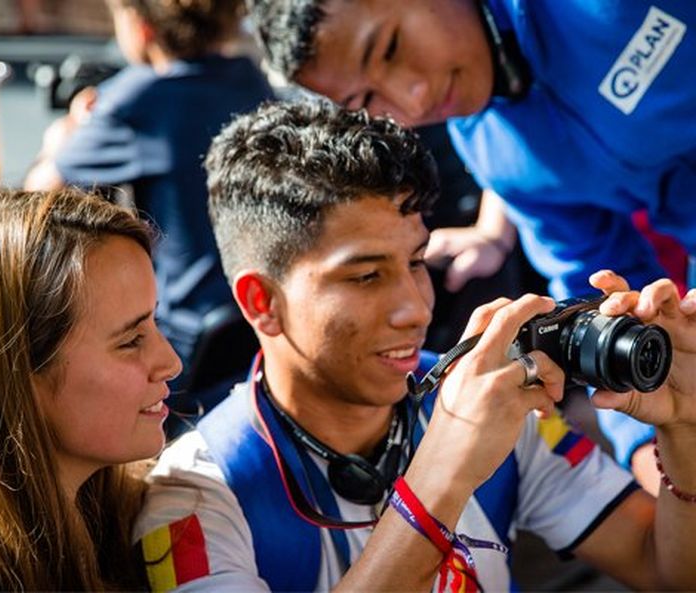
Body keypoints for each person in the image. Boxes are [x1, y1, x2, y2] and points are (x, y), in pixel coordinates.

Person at [133, 100, 696, 592]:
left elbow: (668, 570)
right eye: (365, 276)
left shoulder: (493, 403)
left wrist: (684, 427)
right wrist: (444, 470)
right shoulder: (189, 495)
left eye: (417, 262)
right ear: (261, 302)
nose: (415, 309)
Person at [243, 0, 696, 490]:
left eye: (391, 47)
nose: (413, 101)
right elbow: (599, 282)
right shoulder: (494, 151)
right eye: (366, 98)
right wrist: (647, 448)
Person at [0, 189, 182, 590]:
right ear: (11, 374)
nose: (171, 362)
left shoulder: (120, 506)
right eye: (131, 340)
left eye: (154, 324)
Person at [25, 0, 273, 367]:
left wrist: (62, 138)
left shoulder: (137, 100)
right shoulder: (252, 81)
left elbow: (37, 198)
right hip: (255, 318)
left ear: (141, 27)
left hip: (185, 335)